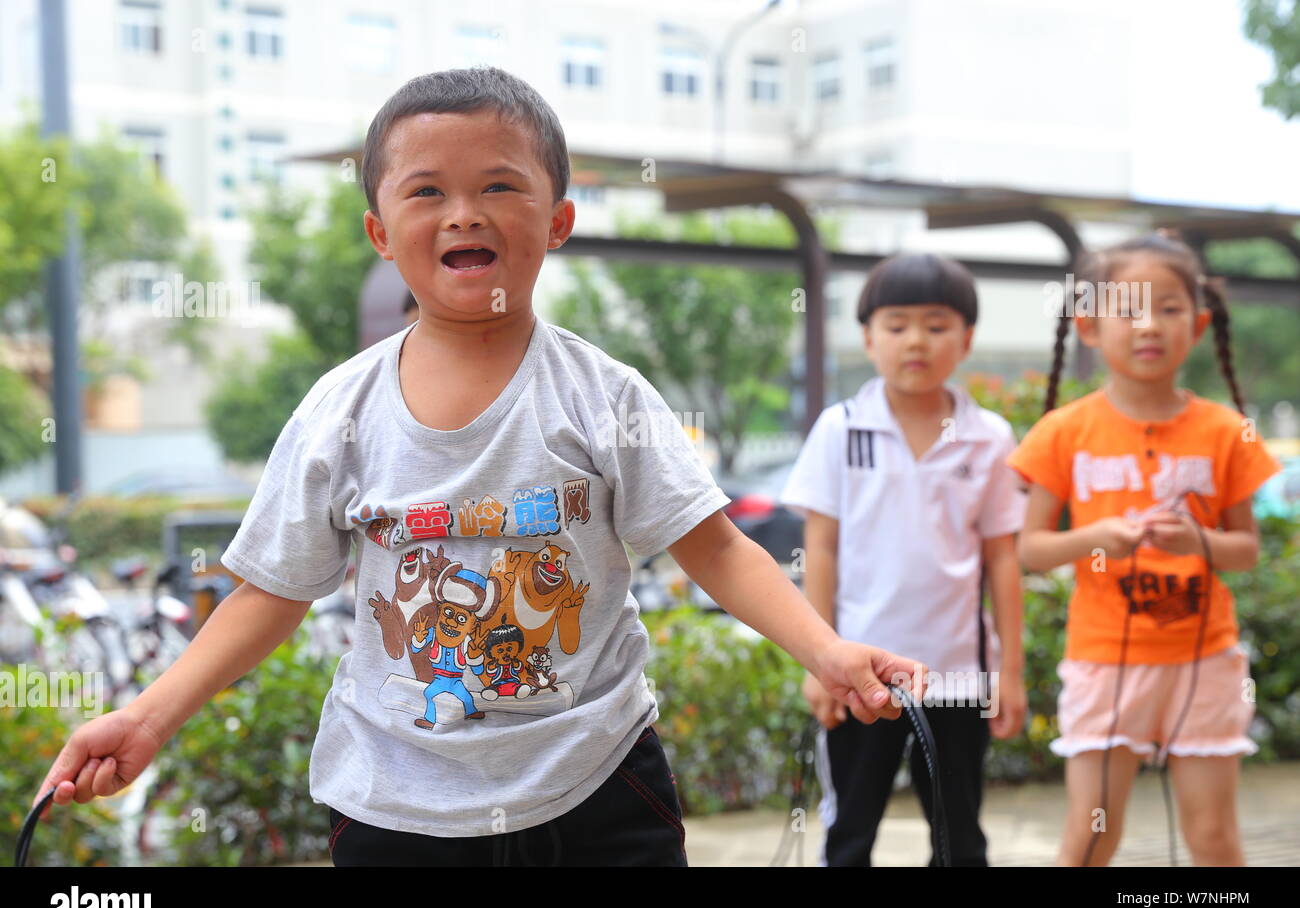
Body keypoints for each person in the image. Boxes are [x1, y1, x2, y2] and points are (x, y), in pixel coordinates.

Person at [33, 66, 925, 867]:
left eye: (500, 184)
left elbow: (719, 549)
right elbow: (270, 591)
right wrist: (146, 718)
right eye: (427, 192)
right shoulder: (338, 415)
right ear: (383, 232)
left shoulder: (605, 397)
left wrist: (831, 650)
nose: (464, 212)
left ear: (559, 220)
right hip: (396, 804)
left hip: (599, 782)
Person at [1008, 233, 1282, 866]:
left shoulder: (1224, 430)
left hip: (1206, 661)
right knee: (1093, 836)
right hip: (1105, 662)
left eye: (1169, 307)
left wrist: (1199, 542)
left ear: (1200, 323)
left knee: (1213, 838)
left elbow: (1244, 549)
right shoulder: (1064, 431)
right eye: (1128, 308)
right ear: (1089, 326)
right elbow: (1033, 549)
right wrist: (1098, 538)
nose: (1149, 325)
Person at [779, 253, 1028, 867]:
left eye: (937, 325)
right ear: (867, 337)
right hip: (860, 675)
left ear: (967, 339)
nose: (916, 340)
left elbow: (1003, 560)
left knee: (960, 839)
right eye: (896, 325)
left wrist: (1012, 676)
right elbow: (822, 549)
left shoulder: (990, 436)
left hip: (959, 677)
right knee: (850, 836)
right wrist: (819, 662)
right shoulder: (840, 429)